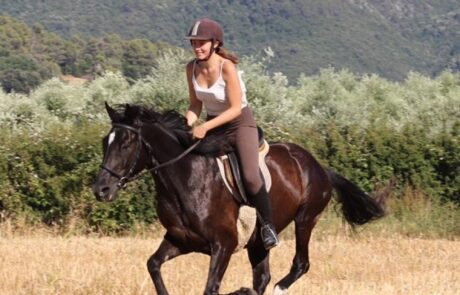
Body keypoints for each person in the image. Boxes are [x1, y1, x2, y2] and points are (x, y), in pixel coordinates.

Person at [184, 18, 279, 250]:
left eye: (202, 42)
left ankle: (268, 227)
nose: (197, 47)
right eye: (194, 42)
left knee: (249, 176)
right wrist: (187, 124)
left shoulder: (226, 66)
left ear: (215, 43)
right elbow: (195, 105)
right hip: (213, 125)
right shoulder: (191, 67)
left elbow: (235, 108)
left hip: (239, 124)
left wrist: (205, 127)